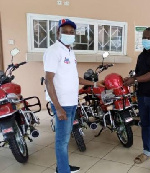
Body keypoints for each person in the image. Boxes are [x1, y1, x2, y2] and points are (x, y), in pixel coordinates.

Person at [43, 19, 103, 173]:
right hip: (61, 104)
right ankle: (62, 170)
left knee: (65, 138)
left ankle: (63, 166)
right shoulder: (53, 51)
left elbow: (75, 78)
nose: (69, 35)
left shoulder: (70, 51)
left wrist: (95, 84)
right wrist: (58, 108)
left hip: (71, 102)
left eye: (72, 32)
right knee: (62, 141)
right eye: (65, 32)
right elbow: (48, 81)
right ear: (58, 33)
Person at [123, 27, 150, 173]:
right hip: (142, 96)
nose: (146, 40)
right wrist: (131, 79)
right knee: (145, 126)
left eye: (149, 37)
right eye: (144, 37)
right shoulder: (142, 55)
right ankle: (147, 152)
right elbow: (138, 74)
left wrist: (134, 80)